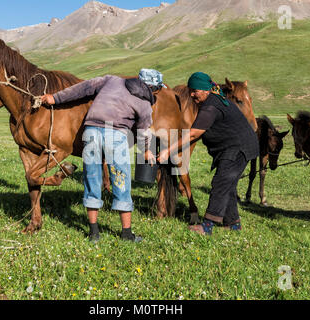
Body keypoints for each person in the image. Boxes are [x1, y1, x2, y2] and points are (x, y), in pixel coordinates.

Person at [41, 70, 161, 242]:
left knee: (92, 179)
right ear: (153, 88)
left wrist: (55, 98)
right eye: (157, 90)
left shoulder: (112, 80)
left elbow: (84, 88)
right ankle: (127, 234)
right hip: (116, 136)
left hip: (90, 132)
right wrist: (147, 150)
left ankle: (93, 233)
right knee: (121, 181)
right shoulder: (144, 104)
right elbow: (143, 132)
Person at [158, 72, 259, 236]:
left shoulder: (211, 105)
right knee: (228, 185)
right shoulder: (215, 98)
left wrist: (167, 151)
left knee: (220, 183)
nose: (191, 94)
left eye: (195, 91)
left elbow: (193, 133)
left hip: (238, 148)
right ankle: (233, 223)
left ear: (205, 90)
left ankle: (207, 226)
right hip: (236, 146)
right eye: (190, 90)